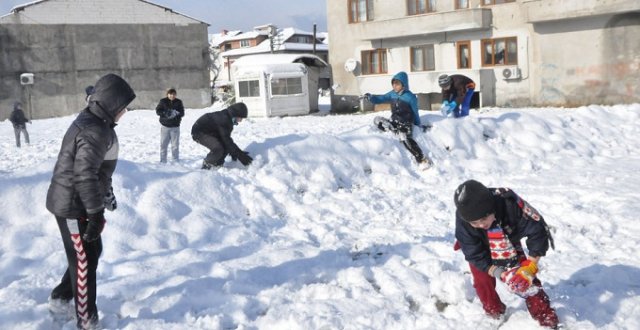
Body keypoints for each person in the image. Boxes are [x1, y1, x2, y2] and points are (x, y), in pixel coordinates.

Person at [46, 73, 135, 330]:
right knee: (83, 261)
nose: (125, 112)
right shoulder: (95, 129)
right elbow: (83, 174)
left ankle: (62, 296)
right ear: (110, 103)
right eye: (123, 107)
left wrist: (104, 196)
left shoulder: (97, 122)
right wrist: (96, 214)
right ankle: (86, 321)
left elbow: (97, 171)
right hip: (72, 206)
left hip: (81, 202)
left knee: (90, 253)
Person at [453, 179, 559, 328]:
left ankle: (546, 317)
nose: (481, 225)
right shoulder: (464, 221)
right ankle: (494, 311)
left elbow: (537, 231)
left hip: (507, 243)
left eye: (484, 219)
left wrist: (530, 266)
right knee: (482, 283)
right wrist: (499, 272)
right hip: (480, 250)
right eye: (475, 223)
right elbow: (473, 253)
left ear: (491, 209)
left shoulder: (509, 205)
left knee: (526, 282)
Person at [365, 71, 430, 166]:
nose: (394, 86)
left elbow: (415, 112)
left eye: (397, 84)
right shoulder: (392, 94)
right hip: (394, 120)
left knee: (404, 137)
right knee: (377, 120)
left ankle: (421, 158)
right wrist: (370, 97)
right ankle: (393, 129)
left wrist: (417, 123)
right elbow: (380, 99)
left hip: (406, 123)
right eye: (393, 84)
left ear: (403, 84)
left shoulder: (410, 97)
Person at [191, 102, 252, 169]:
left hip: (211, 131)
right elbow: (227, 140)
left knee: (225, 146)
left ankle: (218, 165)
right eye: (241, 118)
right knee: (218, 148)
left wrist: (235, 153)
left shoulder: (228, 118)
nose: (241, 121)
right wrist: (240, 155)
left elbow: (227, 141)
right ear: (236, 114)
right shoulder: (224, 119)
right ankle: (207, 164)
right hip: (199, 132)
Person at [155, 88, 184, 163]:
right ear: (167, 94)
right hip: (165, 127)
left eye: (174, 94)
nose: (172, 96)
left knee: (175, 146)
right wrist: (165, 112)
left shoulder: (178, 102)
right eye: (170, 94)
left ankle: (175, 160)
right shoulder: (163, 101)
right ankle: (163, 161)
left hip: (175, 127)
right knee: (163, 145)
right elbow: (158, 111)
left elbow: (182, 113)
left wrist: (176, 113)